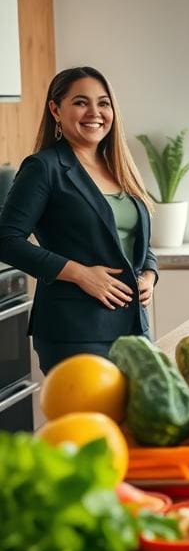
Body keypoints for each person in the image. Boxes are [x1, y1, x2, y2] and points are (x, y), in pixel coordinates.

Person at [0, 67, 158, 372]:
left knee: (136, 421)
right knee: (88, 422)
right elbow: (6, 241)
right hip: (76, 332)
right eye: (81, 102)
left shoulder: (119, 167)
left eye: (104, 103)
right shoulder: (43, 168)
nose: (95, 112)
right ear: (55, 110)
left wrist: (149, 274)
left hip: (135, 327)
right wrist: (81, 274)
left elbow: (132, 241)